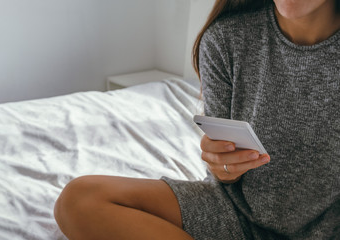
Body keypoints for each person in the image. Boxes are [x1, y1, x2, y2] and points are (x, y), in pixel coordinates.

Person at [53, 0, 340, 239]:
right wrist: (223, 167)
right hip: (236, 214)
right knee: (79, 200)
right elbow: (225, 170)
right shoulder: (226, 39)